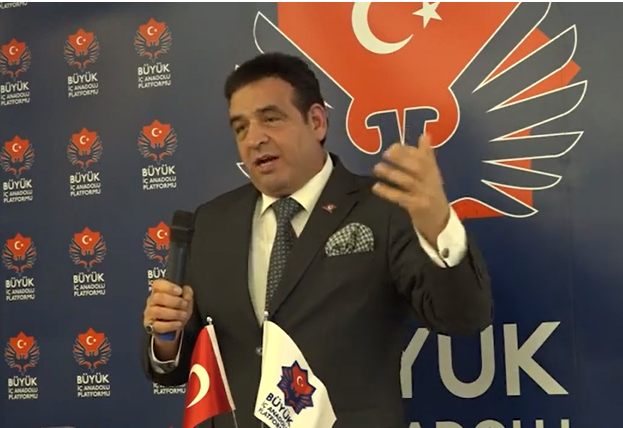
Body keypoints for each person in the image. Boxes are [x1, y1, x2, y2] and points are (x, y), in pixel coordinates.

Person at [141, 52, 492, 428]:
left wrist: (439, 226)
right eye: (240, 128)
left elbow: (464, 318)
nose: (254, 139)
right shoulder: (211, 223)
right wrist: (166, 339)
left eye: (270, 119)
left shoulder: (384, 209)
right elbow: (175, 369)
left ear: (317, 122)